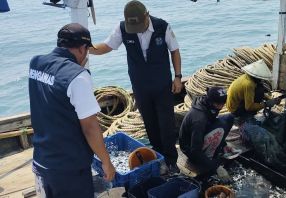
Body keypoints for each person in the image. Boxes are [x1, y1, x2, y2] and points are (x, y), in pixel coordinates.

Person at [90, 0, 181, 172]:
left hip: (162, 85)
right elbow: (107, 46)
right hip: (140, 86)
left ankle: (171, 160)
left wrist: (178, 77)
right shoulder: (122, 28)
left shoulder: (163, 26)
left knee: (166, 124)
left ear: (147, 15)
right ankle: (158, 155)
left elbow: (174, 50)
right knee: (150, 123)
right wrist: (87, 48)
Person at [29, 23, 115, 198]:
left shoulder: (35, 63)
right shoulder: (78, 76)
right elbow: (90, 127)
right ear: (83, 48)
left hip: (41, 159)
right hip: (68, 168)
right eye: (88, 51)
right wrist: (106, 162)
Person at [179, 87, 236, 183]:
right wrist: (216, 167)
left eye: (223, 104)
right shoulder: (199, 120)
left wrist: (224, 145)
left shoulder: (207, 104)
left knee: (229, 118)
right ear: (210, 101)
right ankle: (208, 156)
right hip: (190, 148)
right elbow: (195, 151)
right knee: (220, 127)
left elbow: (212, 121)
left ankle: (219, 148)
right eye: (219, 104)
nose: (221, 107)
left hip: (199, 135)